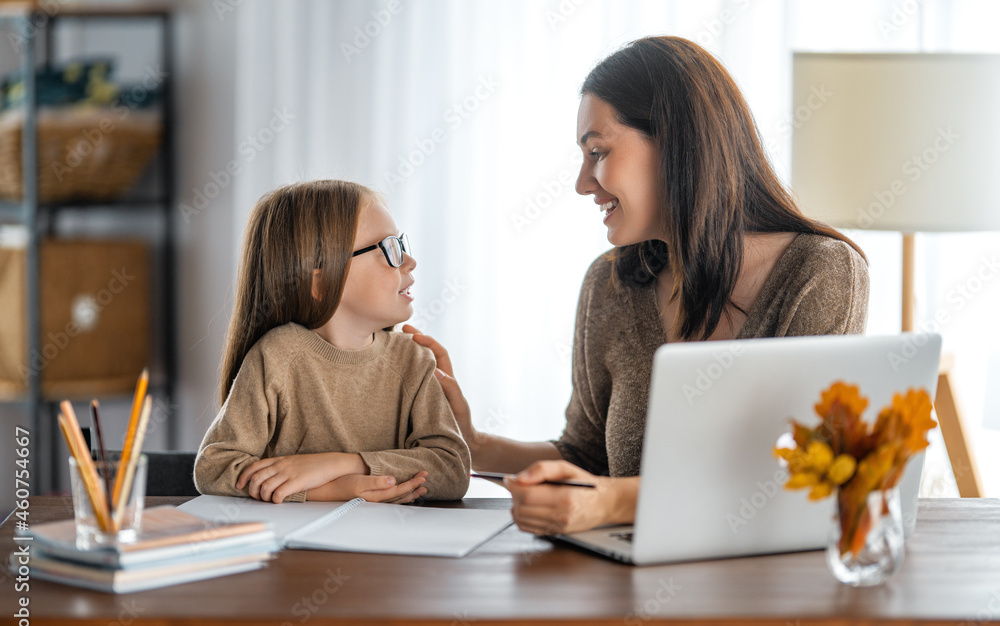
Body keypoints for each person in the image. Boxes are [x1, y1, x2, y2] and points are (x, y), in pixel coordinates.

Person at [405, 36, 869, 534]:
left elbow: (800, 475)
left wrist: (613, 503)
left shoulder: (820, 272)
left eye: (598, 152)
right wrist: (472, 443)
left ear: (676, 143)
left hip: (762, 591)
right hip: (624, 589)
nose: (584, 182)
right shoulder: (610, 284)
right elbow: (586, 457)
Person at [195, 180, 471, 504]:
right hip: (296, 550)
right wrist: (327, 491)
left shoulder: (414, 360)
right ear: (324, 280)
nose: (410, 261)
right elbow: (214, 467)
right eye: (390, 248)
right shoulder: (277, 357)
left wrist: (346, 464)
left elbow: (452, 469)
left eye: (402, 244)